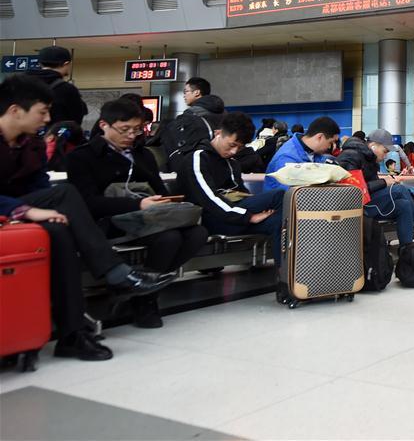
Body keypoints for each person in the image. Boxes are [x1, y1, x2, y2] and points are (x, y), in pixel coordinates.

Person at [0, 75, 174, 360]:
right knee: (65, 193)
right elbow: (44, 196)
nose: (47, 119)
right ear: (16, 110)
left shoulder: (30, 144)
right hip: (12, 213)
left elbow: (38, 186)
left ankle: (72, 335)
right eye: (42, 112)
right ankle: (116, 274)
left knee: (61, 233)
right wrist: (29, 211)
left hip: (21, 219)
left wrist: (50, 212)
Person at [66, 99, 208, 328]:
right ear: (104, 125)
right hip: (110, 220)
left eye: (137, 129)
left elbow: (160, 190)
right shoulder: (82, 157)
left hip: (148, 218)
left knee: (197, 233)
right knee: (169, 238)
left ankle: (141, 293)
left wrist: (165, 202)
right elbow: (87, 203)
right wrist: (138, 205)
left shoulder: (143, 155)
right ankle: (145, 300)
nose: (131, 135)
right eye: (125, 130)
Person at [177, 112, 285, 262]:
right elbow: (209, 199)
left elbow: (241, 192)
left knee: (280, 221)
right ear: (219, 133)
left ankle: (285, 277)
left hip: (235, 215)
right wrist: (248, 216)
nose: (234, 151)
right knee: (280, 196)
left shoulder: (232, 163)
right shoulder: (197, 158)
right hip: (211, 218)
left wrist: (256, 212)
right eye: (232, 145)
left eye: (239, 148)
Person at [336, 128, 414, 247]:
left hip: (367, 202)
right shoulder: (351, 156)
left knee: (403, 205)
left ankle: (408, 251)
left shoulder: (368, 158)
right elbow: (354, 189)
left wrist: (385, 182)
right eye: (385, 151)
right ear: (374, 146)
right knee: (399, 189)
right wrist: (384, 183)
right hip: (355, 206)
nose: (386, 155)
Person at [264, 116, 341, 191]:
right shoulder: (286, 159)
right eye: (330, 142)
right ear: (320, 137)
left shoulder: (314, 153)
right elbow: (291, 197)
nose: (331, 147)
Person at [25, 46, 88, 126]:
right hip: (57, 136)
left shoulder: (20, 84)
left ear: (40, 63)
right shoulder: (67, 89)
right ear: (66, 64)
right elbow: (75, 121)